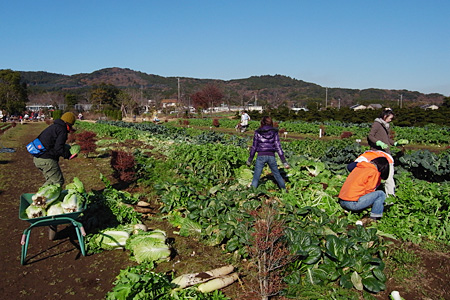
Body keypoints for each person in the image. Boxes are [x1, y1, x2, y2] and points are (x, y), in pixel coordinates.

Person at [33, 112, 78, 187]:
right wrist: (68, 155)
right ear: (69, 124)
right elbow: (58, 148)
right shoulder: (62, 130)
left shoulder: (54, 127)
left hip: (38, 158)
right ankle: (38, 197)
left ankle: (42, 197)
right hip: (46, 159)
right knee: (58, 182)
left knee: (51, 181)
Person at [339, 157, 390, 221]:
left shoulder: (359, 167)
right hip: (352, 204)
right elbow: (369, 190)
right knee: (381, 194)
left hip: (342, 201)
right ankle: (374, 217)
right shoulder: (373, 172)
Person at [246, 116, 289, 191]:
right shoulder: (274, 132)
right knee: (277, 175)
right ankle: (284, 191)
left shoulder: (258, 132)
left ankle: (251, 193)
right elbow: (278, 147)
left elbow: (254, 147)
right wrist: (284, 162)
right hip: (271, 156)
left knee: (256, 176)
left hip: (261, 156)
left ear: (262, 123)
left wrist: (250, 159)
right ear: (271, 122)